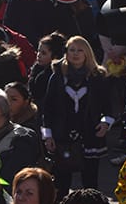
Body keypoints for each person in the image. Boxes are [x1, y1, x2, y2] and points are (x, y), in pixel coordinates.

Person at [42, 36, 112, 194]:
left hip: (90, 134)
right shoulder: (57, 76)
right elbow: (48, 108)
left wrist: (106, 122)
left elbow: (108, 104)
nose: (75, 54)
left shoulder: (97, 76)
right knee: (61, 182)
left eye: (80, 50)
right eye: (72, 50)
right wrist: (48, 135)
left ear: (87, 53)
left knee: (90, 181)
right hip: (63, 136)